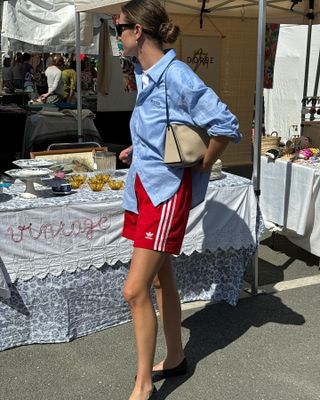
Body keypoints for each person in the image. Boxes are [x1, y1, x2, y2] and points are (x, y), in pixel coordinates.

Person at [117, 1, 241, 399]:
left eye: (118, 27)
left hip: (165, 193)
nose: (115, 34)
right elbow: (161, 130)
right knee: (158, 278)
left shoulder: (177, 76)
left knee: (133, 290)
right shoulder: (144, 72)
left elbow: (225, 123)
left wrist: (204, 163)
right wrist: (138, 150)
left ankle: (143, 384)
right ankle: (174, 358)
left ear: (138, 32)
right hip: (143, 187)